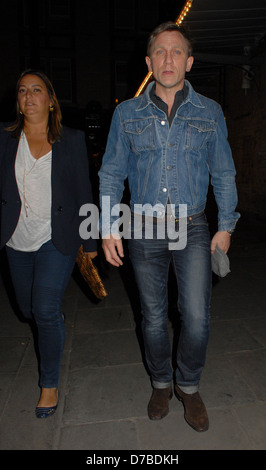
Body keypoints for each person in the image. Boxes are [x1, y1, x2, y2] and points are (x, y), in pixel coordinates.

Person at [99, 21, 240, 432]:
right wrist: (108, 225)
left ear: (189, 62)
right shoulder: (126, 113)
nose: (168, 59)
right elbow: (111, 173)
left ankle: (189, 386)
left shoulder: (210, 112)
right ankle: (162, 382)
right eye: (160, 51)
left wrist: (226, 225)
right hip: (142, 226)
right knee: (154, 315)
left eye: (176, 52)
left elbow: (224, 172)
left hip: (193, 225)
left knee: (195, 316)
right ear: (148, 61)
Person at [0, 70, 97, 418]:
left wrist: (90, 240)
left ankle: (49, 383)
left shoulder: (70, 139)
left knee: (44, 310)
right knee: (27, 310)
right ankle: (48, 324)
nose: (29, 96)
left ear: (51, 99)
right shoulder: (4, 138)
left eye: (36, 90)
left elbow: (85, 192)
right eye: (23, 90)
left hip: (56, 239)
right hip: (15, 240)